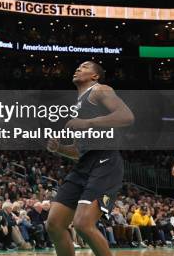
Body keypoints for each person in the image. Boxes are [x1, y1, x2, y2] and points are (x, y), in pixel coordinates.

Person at [46, 61, 135, 256]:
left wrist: (87, 122)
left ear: (95, 76)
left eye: (85, 67)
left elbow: (127, 116)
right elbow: (78, 151)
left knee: (82, 224)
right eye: (77, 66)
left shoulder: (100, 90)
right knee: (54, 224)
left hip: (106, 162)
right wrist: (59, 148)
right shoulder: (78, 104)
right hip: (84, 164)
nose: (78, 68)